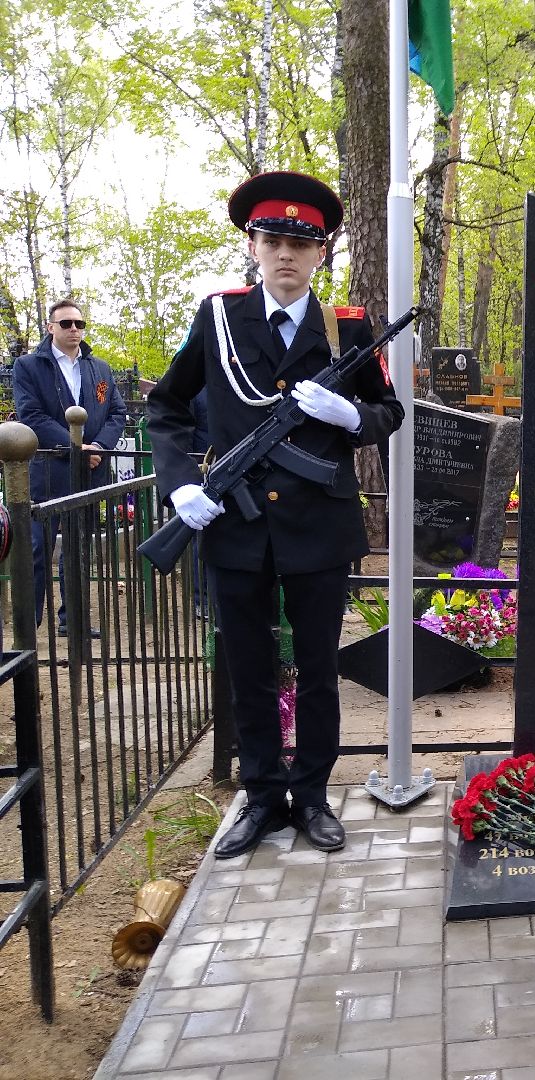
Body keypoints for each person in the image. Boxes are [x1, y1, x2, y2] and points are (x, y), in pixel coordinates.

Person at [147, 170, 404, 859]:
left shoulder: (345, 326)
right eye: (272, 239)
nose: (286, 253)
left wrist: (351, 414)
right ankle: (262, 797)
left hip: (318, 528)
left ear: (321, 252)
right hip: (234, 524)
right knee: (250, 667)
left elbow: (388, 412)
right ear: (253, 246)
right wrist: (179, 488)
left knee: (318, 668)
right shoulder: (219, 319)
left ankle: (313, 795)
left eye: (301, 241)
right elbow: (167, 406)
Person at [13, 298, 128, 633]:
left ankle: (73, 621)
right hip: (48, 472)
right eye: (66, 324)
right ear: (50, 327)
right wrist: (76, 447)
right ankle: (26, 627)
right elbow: (31, 415)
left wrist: (100, 446)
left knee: (78, 551)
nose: (74, 329)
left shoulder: (100, 368)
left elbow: (117, 412)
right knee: (36, 550)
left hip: (89, 472)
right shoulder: (29, 366)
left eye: (79, 324)